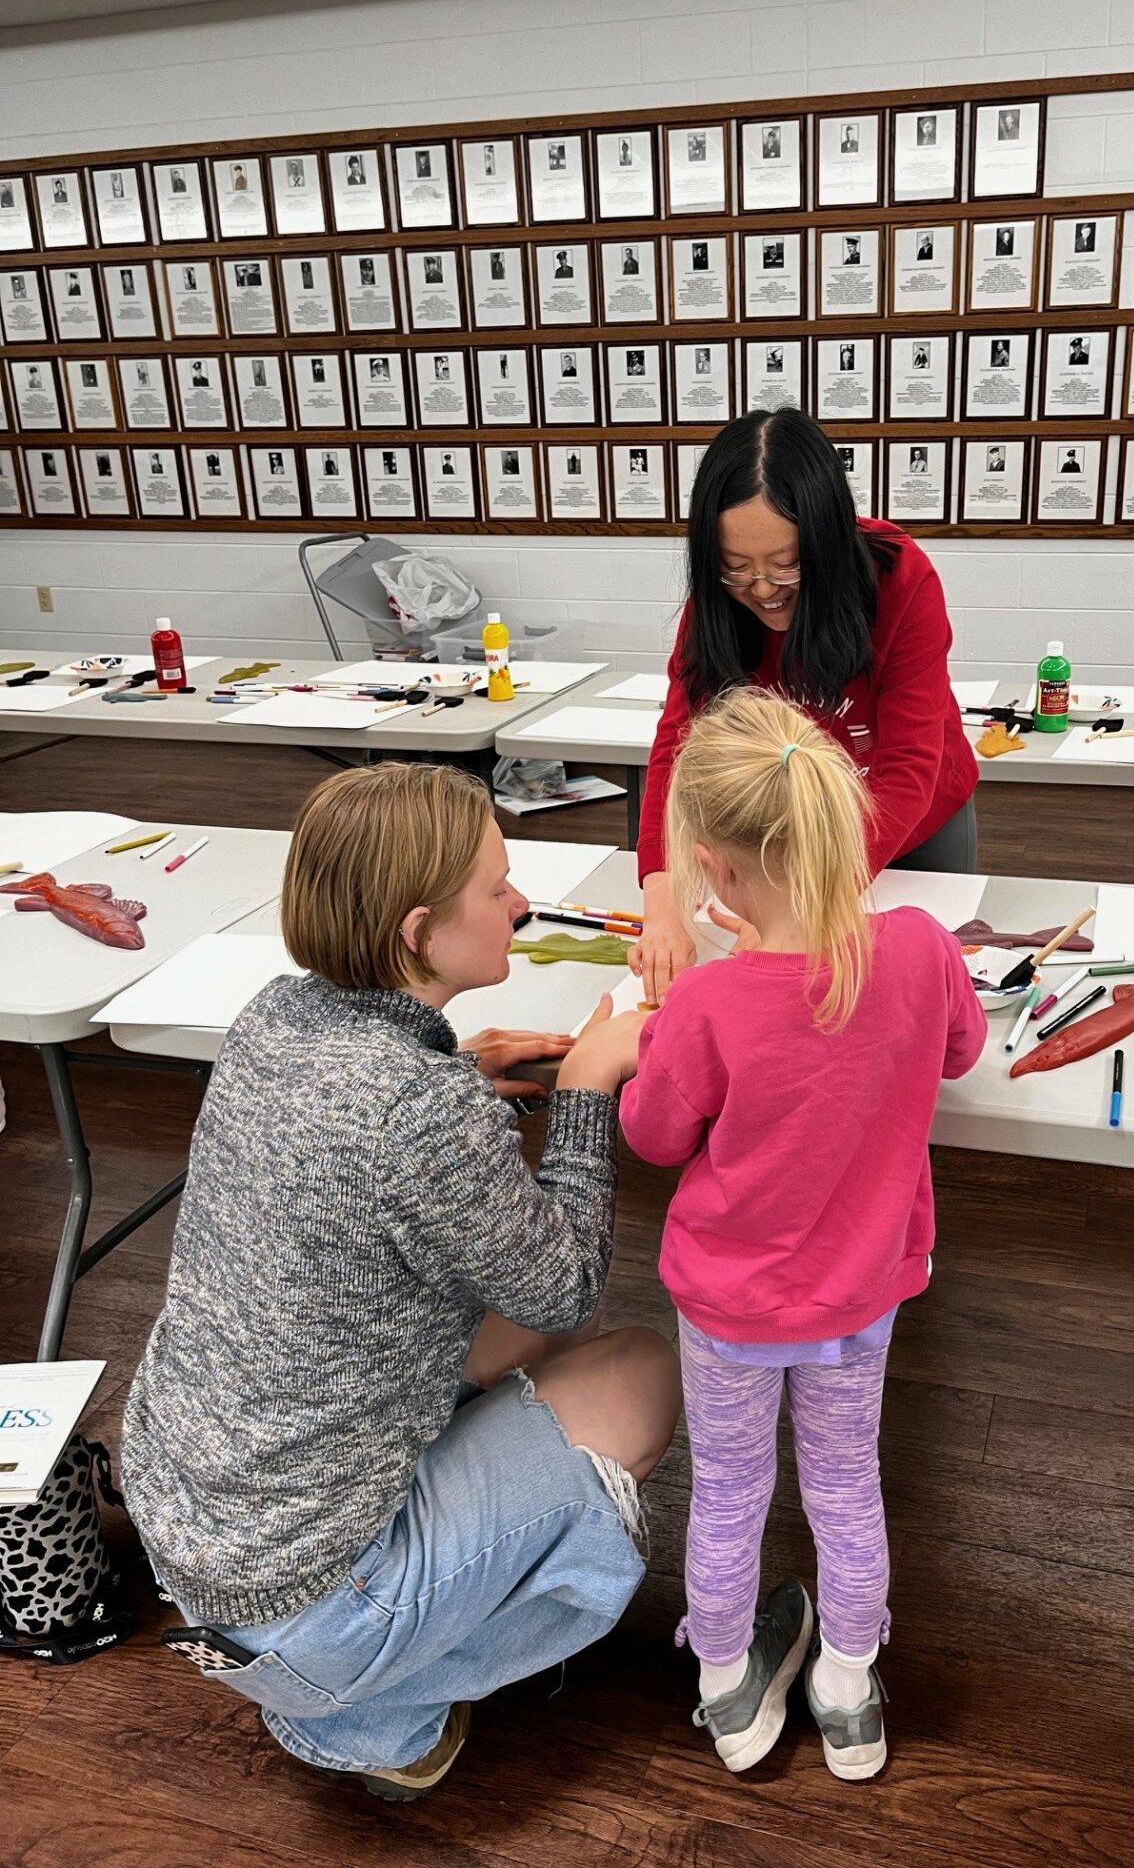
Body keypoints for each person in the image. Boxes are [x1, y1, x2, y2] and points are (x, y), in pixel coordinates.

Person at [122, 764, 680, 1802]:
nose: (518, 904)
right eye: (497, 889)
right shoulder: (413, 1112)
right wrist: (593, 1087)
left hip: (199, 1541)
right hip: (307, 1601)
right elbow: (569, 1285)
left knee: (521, 1340)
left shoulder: (274, 1018)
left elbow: (374, 1144)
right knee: (639, 1369)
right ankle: (376, 1710)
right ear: (420, 930)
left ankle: (340, 1669)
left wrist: (469, 1077)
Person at [621, 691, 986, 1778]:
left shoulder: (706, 1006)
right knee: (845, 1481)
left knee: (729, 1490)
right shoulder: (919, 949)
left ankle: (728, 1690)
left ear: (713, 872)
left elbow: (651, 1133)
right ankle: (848, 1688)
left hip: (730, 1309)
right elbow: (959, 1051)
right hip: (859, 1296)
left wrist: (678, 1016)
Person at [630, 408, 980, 1005]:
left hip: (903, 825)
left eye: (786, 565)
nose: (762, 590)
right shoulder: (716, 608)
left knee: (913, 980)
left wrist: (793, 917)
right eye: (736, 568)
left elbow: (907, 771)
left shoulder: (899, 579)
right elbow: (677, 752)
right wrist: (662, 904)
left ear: (827, 541)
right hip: (780, 827)